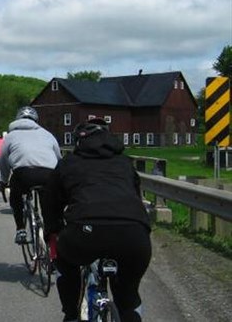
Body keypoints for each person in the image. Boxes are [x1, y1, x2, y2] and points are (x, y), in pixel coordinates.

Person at [41, 118, 152, 322]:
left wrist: (52, 232)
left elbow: (50, 201)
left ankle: (72, 315)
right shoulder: (125, 163)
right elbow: (136, 198)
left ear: (79, 142)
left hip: (84, 233)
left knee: (65, 262)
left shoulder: (68, 163)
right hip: (133, 235)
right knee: (128, 297)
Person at [0, 106, 62, 244]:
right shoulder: (47, 134)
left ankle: (21, 229)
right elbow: (59, 158)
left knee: (16, 195)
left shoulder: (11, 136)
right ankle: (52, 235)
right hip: (48, 173)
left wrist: (3, 180)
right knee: (49, 204)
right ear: (36, 120)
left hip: (23, 174)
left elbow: (3, 159)